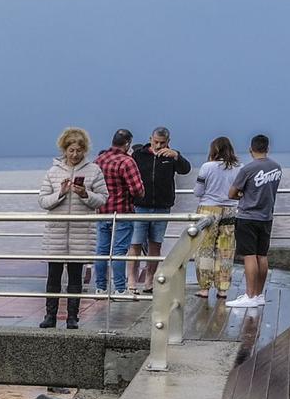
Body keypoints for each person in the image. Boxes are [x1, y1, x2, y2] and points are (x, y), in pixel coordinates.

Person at [39, 128, 107, 329]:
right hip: (56, 232)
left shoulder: (94, 171)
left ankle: (72, 317)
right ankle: (50, 315)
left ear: (84, 150)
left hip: (82, 232)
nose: (75, 154)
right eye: (71, 150)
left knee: (76, 276)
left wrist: (85, 194)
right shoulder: (53, 171)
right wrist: (60, 193)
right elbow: (43, 200)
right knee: (53, 276)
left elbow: (103, 199)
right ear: (64, 149)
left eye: (78, 150)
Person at [130, 127, 190, 291]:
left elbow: (186, 170)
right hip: (140, 205)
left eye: (162, 143)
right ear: (150, 139)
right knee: (135, 244)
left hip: (162, 206)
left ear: (168, 142)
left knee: (155, 245)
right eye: (156, 142)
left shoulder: (172, 156)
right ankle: (132, 282)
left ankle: (150, 280)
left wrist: (177, 156)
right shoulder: (138, 155)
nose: (158, 145)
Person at [227, 135, 282, 310]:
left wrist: (242, 195)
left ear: (251, 149)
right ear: (267, 148)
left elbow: (231, 193)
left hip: (247, 216)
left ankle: (250, 295)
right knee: (262, 255)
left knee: (249, 256)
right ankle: (258, 294)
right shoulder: (276, 167)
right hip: (266, 217)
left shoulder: (248, 169)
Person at [93, 130, 143, 298]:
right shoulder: (127, 161)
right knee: (120, 251)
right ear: (128, 143)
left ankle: (100, 288)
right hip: (122, 212)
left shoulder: (99, 160)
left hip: (102, 211)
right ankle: (120, 289)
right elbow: (137, 190)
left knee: (101, 250)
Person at [191, 138, 241, 300]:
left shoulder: (207, 167)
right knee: (226, 250)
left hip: (208, 210)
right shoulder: (239, 167)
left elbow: (198, 192)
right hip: (231, 210)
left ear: (214, 150)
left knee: (205, 249)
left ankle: (205, 288)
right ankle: (223, 289)